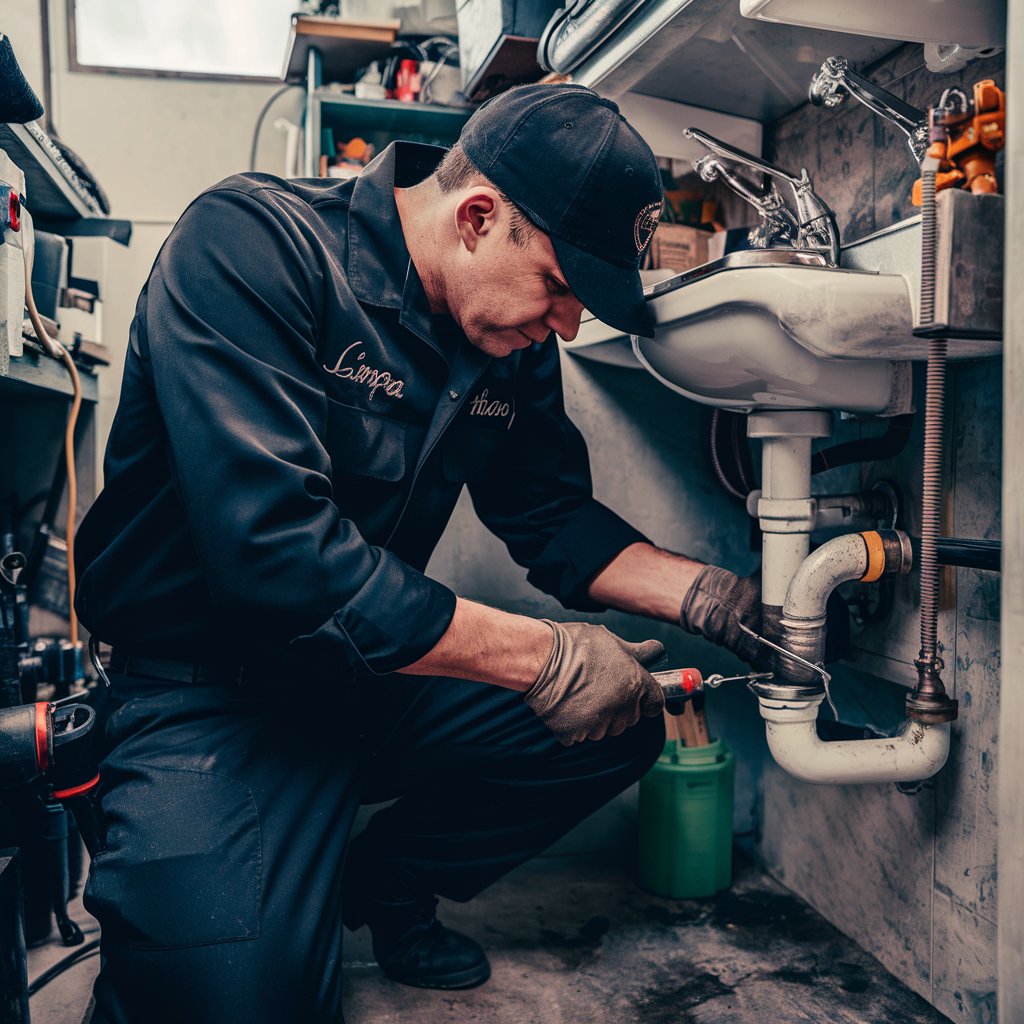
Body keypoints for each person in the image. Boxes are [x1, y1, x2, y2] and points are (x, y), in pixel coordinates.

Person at [74, 84, 761, 1023]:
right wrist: (548, 657)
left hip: (365, 669)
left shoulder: (505, 337)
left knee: (621, 720)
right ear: (478, 219)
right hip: (207, 698)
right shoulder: (249, 247)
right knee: (232, 1007)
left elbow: (550, 516)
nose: (567, 324)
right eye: (562, 287)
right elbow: (279, 558)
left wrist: (718, 601)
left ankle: (384, 881)